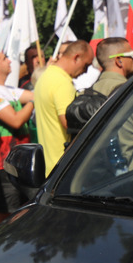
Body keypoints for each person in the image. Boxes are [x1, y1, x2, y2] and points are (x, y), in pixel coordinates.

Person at [0, 50, 36, 229]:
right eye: (4, 59)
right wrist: (33, 103)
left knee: (16, 206)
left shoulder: (7, 90)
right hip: (4, 161)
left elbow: (34, 95)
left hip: (17, 160)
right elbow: (16, 120)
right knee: (4, 208)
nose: (10, 61)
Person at [33, 40, 94, 175]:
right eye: (86, 65)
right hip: (64, 166)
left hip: (50, 164)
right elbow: (70, 123)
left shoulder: (46, 76)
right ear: (76, 57)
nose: (86, 71)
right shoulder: (62, 83)